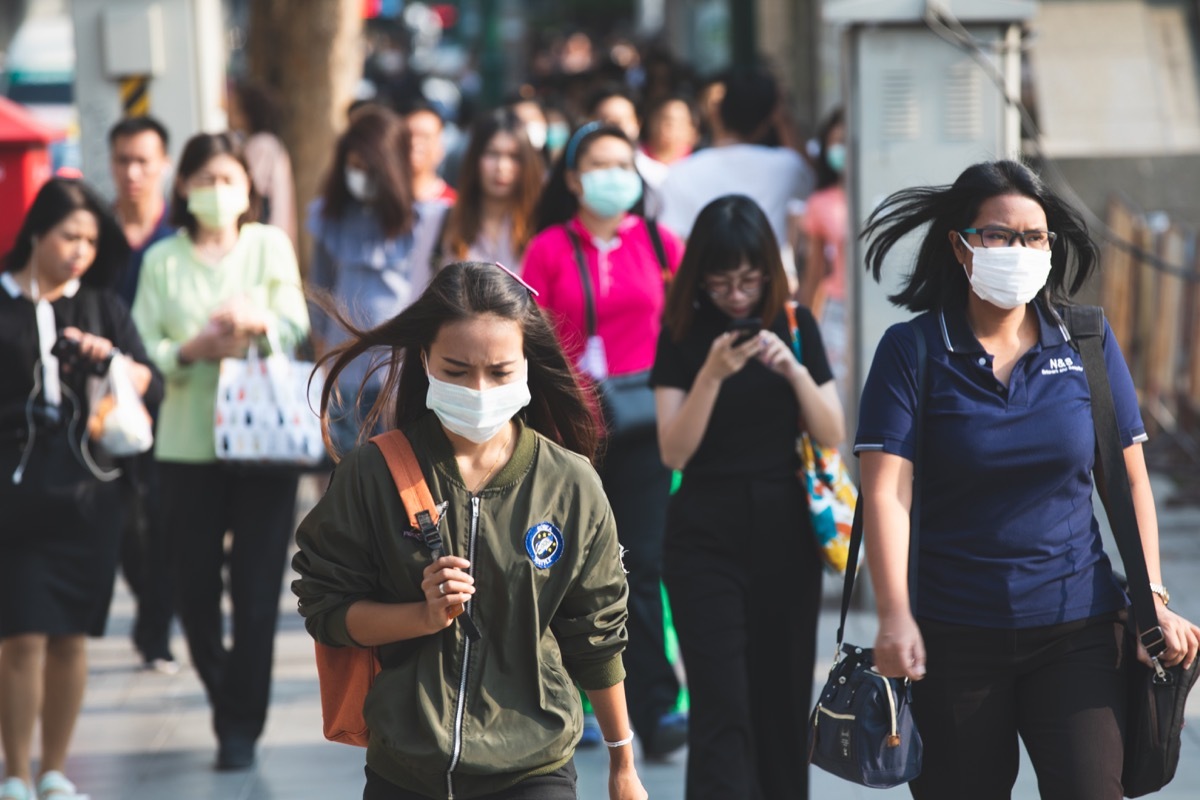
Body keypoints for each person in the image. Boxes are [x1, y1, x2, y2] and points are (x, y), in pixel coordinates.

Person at [855, 160, 1200, 799]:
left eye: (1034, 237)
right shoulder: (913, 352)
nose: (1019, 250)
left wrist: (1151, 596)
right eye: (998, 236)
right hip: (952, 639)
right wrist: (893, 616)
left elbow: (1128, 482)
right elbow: (885, 493)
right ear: (960, 247)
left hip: (1078, 628)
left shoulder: (1088, 341)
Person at [291, 261, 648, 800]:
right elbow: (328, 612)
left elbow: (596, 634)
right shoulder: (371, 474)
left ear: (527, 364)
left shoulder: (570, 483)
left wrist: (624, 766)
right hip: (404, 772)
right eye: (456, 370)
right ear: (426, 362)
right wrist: (421, 615)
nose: (479, 390)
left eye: (500, 372)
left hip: (535, 769)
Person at [650, 194, 842, 799]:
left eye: (750, 280)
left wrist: (793, 371)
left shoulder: (793, 324)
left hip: (786, 528)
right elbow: (674, 451)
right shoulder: (681, 331)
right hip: (706, 530)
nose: (736, 295)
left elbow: (833, 432)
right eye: (721, 281)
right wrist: (710, 375)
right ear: (699, 276)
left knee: (783, 701)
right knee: (722, 703)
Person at [131, 132, 310, 771]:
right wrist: (188, 352)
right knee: (194, 585)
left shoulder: (268, 246)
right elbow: (142, 348)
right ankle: (225, 689)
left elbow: (293, 321)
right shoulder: (162, 261)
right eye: (204, 180)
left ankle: (240, 726)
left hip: (264, 443)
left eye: (229, 179)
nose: (216, 192)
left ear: (249, 189)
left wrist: (259, 320)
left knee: (259, 587)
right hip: (186, 445)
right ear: (182, 187)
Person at [523, 123, 688, 759]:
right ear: (572, 178)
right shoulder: (546, 248)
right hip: (569, 429)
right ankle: (576, 698)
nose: (614, 175)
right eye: (599, 164)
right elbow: (527, 331)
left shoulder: (660, 242)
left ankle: (656, 706)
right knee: (564, 565)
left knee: (641, 565)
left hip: (646, 427)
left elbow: (685, 322)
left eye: (625, 163)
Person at [0, 178, 161, 800]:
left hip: (89, 496)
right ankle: (15, 772)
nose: (80, 251)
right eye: (70, 236)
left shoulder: (99, 307)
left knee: (71, 634)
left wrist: (112, 359)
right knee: (20, 633)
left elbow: (147, 378)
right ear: (37, 231)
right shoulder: (6, 305)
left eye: (92, 241)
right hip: (14, 499)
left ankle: (55, 770)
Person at [307, 105, 447, 455]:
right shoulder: (330, 218)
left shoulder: (427, 220)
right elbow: (319, 295)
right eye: (355, 167)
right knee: (346, 475)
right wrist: (321, 367)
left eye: (372, 168)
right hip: (342, 370)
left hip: (401, 372)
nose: (363, 176)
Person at [107, 114, 181, 675]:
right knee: (126, 517)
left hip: (168, 394)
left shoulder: (175, 237)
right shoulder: (95, 236)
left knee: (161, 517)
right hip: (104, 403)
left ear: (162, 165)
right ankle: (150, 620)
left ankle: (154, 629)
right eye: (122, 160)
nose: (132, 172)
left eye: (143, 160)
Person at [657, 69, 813, 287]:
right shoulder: (788, 167)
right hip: (770, 289)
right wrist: (784, 121)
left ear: (717, 113)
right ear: (768, 120)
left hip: (704, 291)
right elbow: (814, 181)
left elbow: (673, 246)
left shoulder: (680, 173)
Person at [436, 108, 544, 270]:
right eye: (492, 153)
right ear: (475, 158)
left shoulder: (541, 224)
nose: (501, 167)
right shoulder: (444, 219)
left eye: (513, 156)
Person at [797, 106, 849, 403]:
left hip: (885, 306)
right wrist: (804, 329)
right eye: (835, 141)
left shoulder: (886, 195)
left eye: (847, 139)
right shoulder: (821, 202)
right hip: (837, 309)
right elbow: (814, 273)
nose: (841, 148)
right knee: (838, 396)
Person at [227, 79, 297, 247]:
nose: (229, 113)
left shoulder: (261, 145)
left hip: (267, 232)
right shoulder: (267, 142)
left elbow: (252, 190)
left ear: (248, 114)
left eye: (235, 110)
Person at [403, 101, 458, 206]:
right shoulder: (382, 199)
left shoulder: (452, 205)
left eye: (425, 137)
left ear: (440, 149)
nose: (415, 143)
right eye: (409, 135)